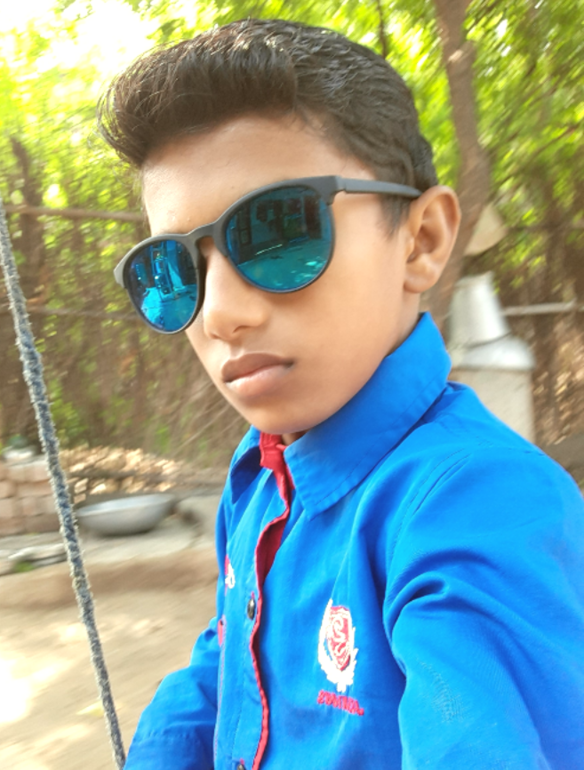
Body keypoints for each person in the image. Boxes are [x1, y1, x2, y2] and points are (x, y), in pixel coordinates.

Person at [97, 19, 584, 770]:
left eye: (279, 233)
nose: (220, 313)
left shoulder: (477, 504)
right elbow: (231, 656)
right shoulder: (262, 471)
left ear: (421, 240)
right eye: (174, 271)